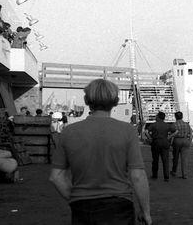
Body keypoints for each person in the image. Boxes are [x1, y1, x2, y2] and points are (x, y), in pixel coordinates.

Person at [49, 79, 151, 225]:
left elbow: (56, 177)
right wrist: (145, 211)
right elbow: (137, 176)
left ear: (86, 100)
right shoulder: (127, 131)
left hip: (82, 208)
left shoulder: (68, 132)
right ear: (115, 102)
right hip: (119, 207)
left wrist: (75, 198)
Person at [146, 112, 177, 181]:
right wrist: (169, 137)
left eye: (156, 116)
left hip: (156, 143)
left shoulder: (154, 125)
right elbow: (176, 131)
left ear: (158, 117)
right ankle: (166, 177)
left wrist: (150, 138)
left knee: (155, 160)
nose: (155, 117)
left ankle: (155, 175)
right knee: (165, 160)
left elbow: (146, 131)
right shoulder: (167, 125)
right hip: (165, 142)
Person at [170, 112, 193, 179]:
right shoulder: (187, 124)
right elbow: (191, 134)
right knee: (184, 159)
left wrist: (170, 144)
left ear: (175, 117)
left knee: (175, 157)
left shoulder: (174, 125)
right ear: (182, 116)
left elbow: (172, 136)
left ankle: (174, 171)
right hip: (185, 141)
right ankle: (184, 175)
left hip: (177, 141)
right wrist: (189, 142)